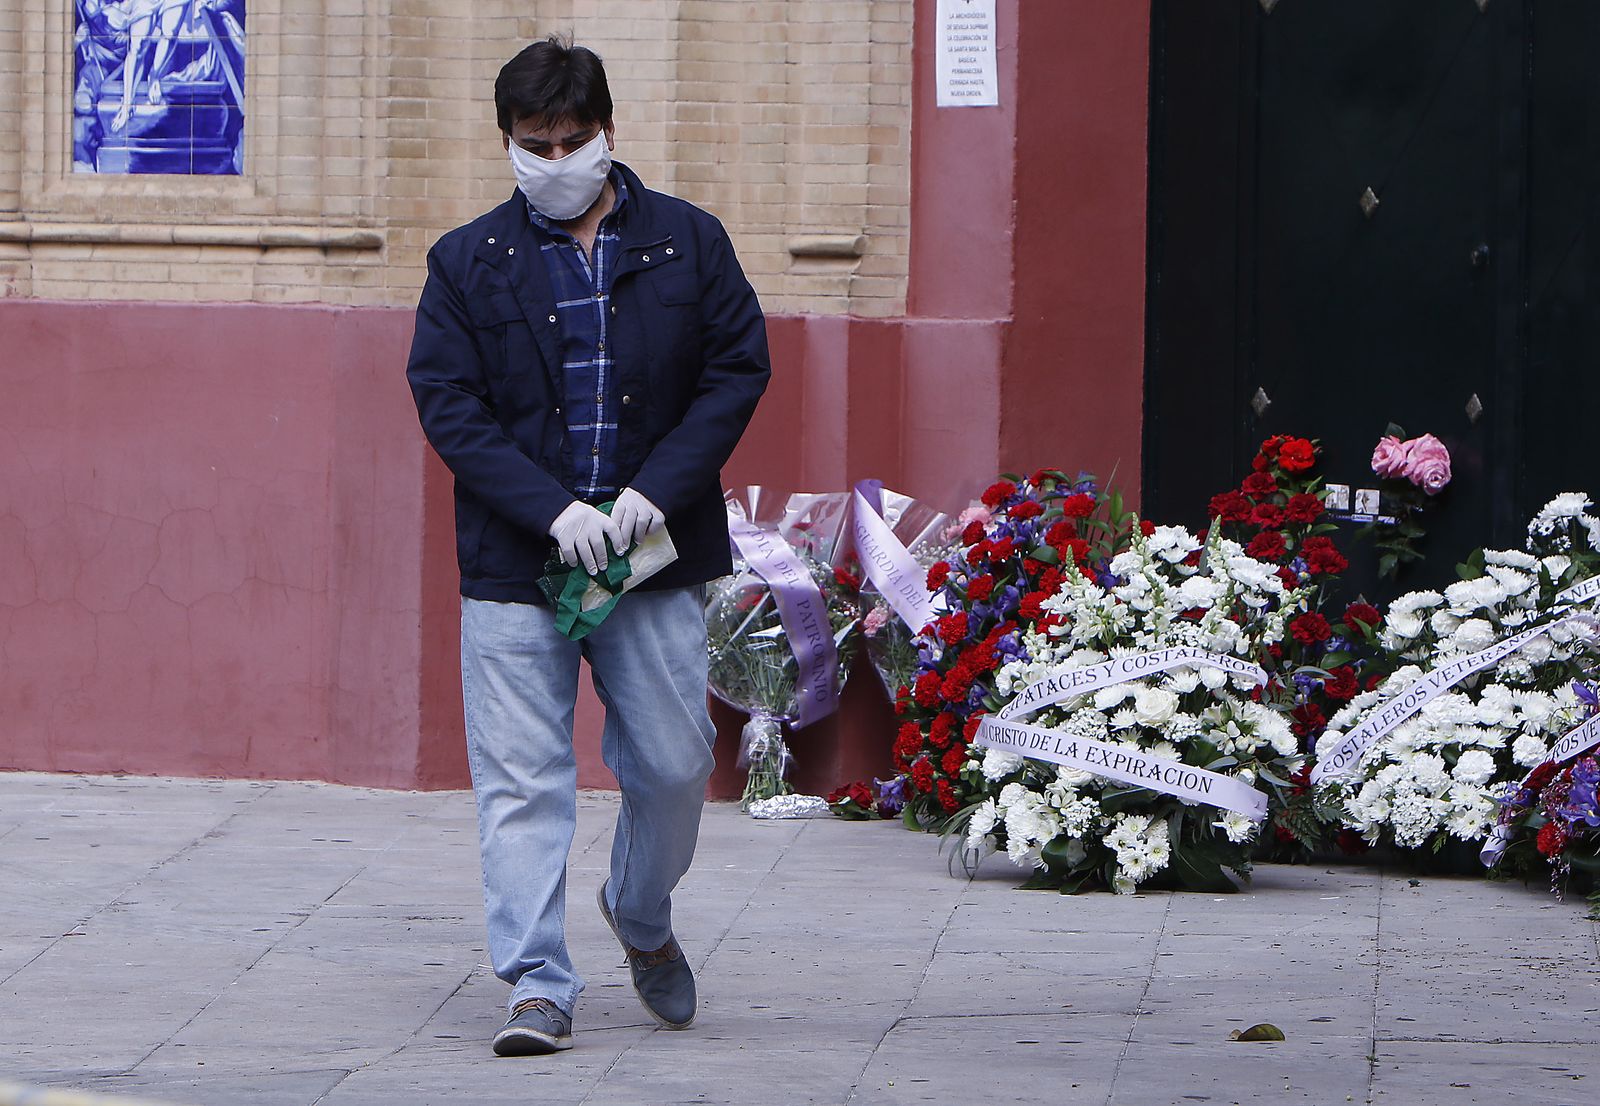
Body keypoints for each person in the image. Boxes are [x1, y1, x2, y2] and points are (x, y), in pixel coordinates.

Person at [405, 35, 770, 1057]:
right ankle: (535, 982)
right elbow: (448, 400)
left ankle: (638, 909)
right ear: (508, 142)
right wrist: (547, 507)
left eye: (573, 139)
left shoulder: (688, 243)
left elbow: (737, 367)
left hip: (649, 551)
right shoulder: (467, 260)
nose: (555, 158)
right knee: (522, 777)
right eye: (534, 142)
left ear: (609, 133)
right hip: (519, 560)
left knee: (672, 761)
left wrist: (657, 489)